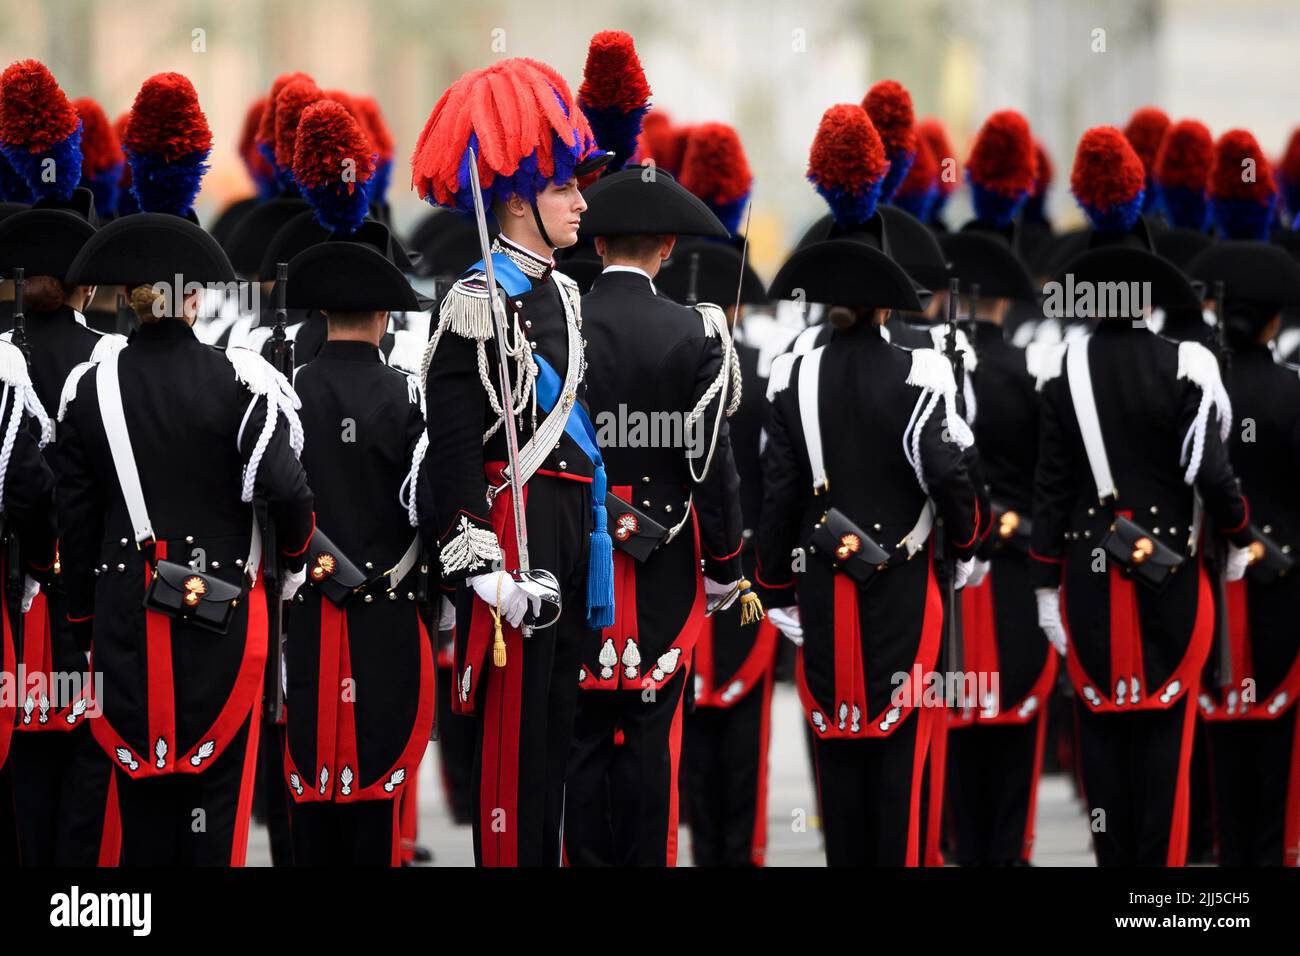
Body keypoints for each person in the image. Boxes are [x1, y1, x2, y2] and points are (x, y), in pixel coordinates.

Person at [57, 71, 314, 866]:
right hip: (226, 625)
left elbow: (71, 512)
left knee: (137, 831)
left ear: (131, 299)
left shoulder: (86, 385)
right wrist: (296, 561)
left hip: (123, 629)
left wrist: (79, 622)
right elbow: (285, 490)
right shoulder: (244, 381)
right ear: (195, 298)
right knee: (216, 826)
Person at [759, 103, 984, 866]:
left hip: (822, 591)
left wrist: (778, 590)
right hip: (906, 591)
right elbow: (950, 475)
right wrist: (967, 547)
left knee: (838, 767)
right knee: (903, 780)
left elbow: (780, 490)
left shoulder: (790, 369)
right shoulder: (923, 365)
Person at [1031, 126, 1254, 866]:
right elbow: (1213, 474)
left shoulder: (1063, 370)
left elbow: (1053, 487)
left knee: (1104, 758)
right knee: (1167, 752)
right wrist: (1238, 534)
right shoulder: (1188, 362)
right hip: (1173, 579)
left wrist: (1042, 584)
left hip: (1089, 588)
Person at [410, 56, 612, 867]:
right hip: (511, 527)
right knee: (512, 753)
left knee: (558, 742)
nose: (582, 202)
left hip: (568, 522)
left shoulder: (563, 293)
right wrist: (482, 570)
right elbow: (453, 445)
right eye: (566, 187)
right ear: (519, 197)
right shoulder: (475, 300)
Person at [564, 167, 752, 865]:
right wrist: (728, 568)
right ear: (669, 246)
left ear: (598, 239)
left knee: (581, 742)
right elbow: (715, 467)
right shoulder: (697, 332)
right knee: (650, 740)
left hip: (574, 559)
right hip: (667, 566)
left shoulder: (558, 322)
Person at [276, 98, 437, 865]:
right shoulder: (409, 394)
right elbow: (430, 510)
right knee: (376, 794)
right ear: (383, 316)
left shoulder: (284, 391)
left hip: (302, 615)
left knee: (308, 790)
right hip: (388, 613)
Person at [0, 58, 127, 867]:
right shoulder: (112, 358)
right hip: (87, 607)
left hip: (15, 611)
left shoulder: (0, 355)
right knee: (86, 775)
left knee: (17, 774)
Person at [659, 239, 781, 867]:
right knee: (728, 733)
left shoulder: (684, 358)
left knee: (700, 726)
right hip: (731, 563)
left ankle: (714, 846)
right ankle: (729, 850)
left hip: (695, 563)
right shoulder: (761, 364)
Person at [1187, 236, 1300, 867]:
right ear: (1276, 320)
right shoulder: (1292, 390)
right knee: (1277, 745)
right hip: (1284, 581)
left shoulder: (1200, 385)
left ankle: (1221, 862)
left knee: (1217, 741)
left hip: (1212, 575)